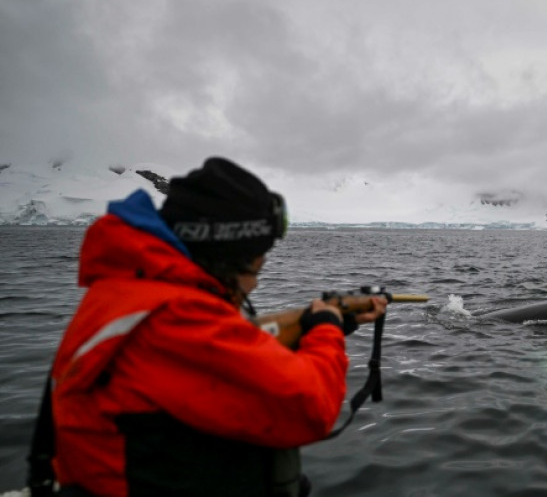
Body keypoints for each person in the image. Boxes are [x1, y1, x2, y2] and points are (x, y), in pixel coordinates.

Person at [42, 157, 386, 496]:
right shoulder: (175, 316)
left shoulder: (130, 291)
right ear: (228, 254)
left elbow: (233, 355)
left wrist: (325, 325)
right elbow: (310, 407)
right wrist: (326, 328)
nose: (254, 283)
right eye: (255, 265)